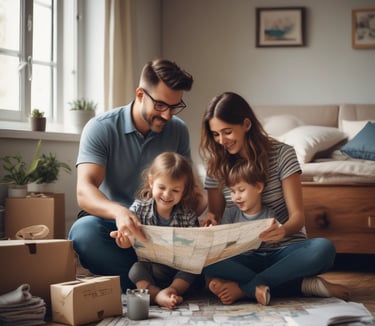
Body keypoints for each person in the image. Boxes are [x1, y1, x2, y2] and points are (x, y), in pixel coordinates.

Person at [68, 59, 206, 293]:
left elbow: (190, 187)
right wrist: (120, 212)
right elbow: (84, 190)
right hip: (117, 228)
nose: (168, 115)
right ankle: (163, 285)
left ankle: (151, 284)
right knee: (83, 232)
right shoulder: (100, 128)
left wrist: (202, 210)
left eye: (174, 107)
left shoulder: (178, 129)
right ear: (140, 94)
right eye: (161, 105)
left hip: (164, 228)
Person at [200, 92, 350, 305]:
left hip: (284, 251)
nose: (221, 141)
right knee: (202, 260)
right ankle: (302, 285)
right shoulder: (216, 164)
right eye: (215, 134)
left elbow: (297, 217)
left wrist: (282, 231)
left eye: (227, 132)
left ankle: (247, 288)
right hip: (243, 254)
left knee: (324, 249)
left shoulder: (282, 154)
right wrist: (210, 221)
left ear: (246, 124)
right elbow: (215, 214)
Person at [112, 152, 200, 309]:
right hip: (151, 269)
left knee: (193, 269)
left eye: (175, 190)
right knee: (135, 270)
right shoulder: (139, 209)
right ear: (151, 182)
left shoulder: (187, 216)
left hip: (177, 271)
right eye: (162, 187)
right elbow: (128, 242)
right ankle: (156, 294)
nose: (167, 194)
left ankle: (172, 290)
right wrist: (124, 241)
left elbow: (194, 249)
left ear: (184, 191)